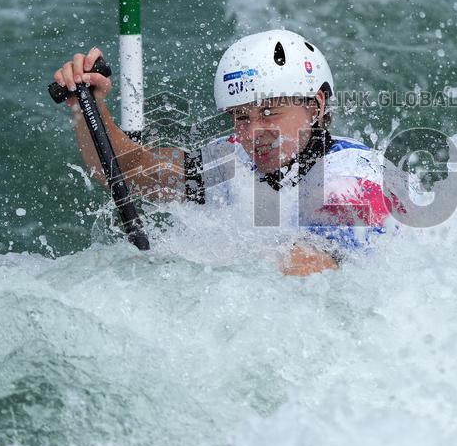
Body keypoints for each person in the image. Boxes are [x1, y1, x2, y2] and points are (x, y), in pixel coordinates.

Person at [52, 29, 414, 276]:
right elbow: (125, 172)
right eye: (242, 117)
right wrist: (87, 106)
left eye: (270, 113)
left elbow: (307, 269)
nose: (254, 133)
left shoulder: (353, 180)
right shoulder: (232, 162)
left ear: (316, 105)